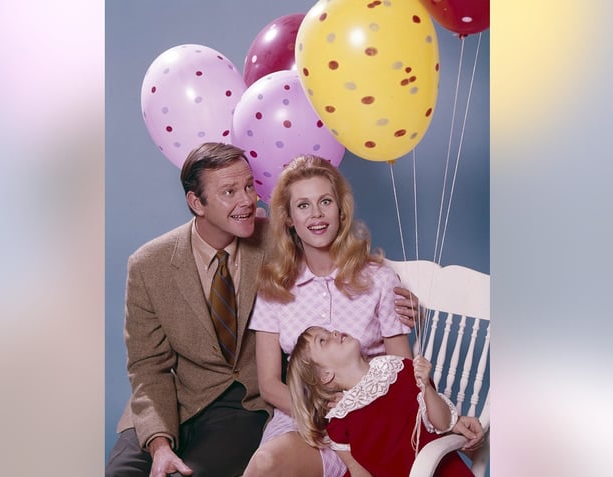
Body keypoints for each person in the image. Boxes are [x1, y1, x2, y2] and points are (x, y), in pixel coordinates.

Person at [106, 144, 421, 477]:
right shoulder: (151, 265)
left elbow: (402, 369)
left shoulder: (353, 268)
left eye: (248, 187)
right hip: (185, 400)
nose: (247, 201)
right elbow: (147, 366)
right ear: (196, 203)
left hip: (247, 409)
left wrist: (414, 307)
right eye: (229, 192)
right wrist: (160, 443)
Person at [244, 155, 416, 477]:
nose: (317, 214)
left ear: (341, 210)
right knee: (268, 462)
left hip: (369, 424)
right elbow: (268, 384)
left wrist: (352, 413)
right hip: (300, 418)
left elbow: (403, 372)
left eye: (325, 201)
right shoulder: (274, 287)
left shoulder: (379, 279)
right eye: (304, 205)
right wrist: (318, 415)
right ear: (290, 218)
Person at [287, 326, 484, 477]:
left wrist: (426, 386)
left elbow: (441, 423)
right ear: (325, 375)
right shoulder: (339, 420)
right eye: (323, 340)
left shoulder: (399, 368)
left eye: (329, 331)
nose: (335, 333)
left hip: (435, 468)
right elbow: (357, 470)